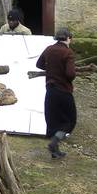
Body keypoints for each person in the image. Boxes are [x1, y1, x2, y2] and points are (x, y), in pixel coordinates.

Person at [36, 28, 76, 159]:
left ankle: (55, 151)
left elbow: (39, 64)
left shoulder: (49, 49)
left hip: (50, 90)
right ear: (68, 38)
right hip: (63, 90)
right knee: (70, 120)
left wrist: (52, 69)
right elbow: (70, 74)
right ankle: (54, 143)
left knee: (53, 121)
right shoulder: (67, 53)